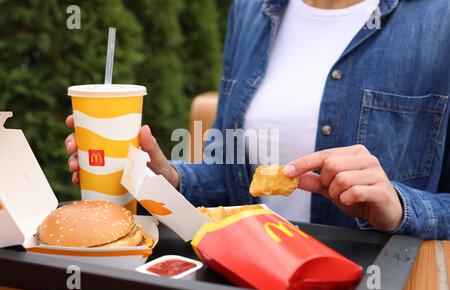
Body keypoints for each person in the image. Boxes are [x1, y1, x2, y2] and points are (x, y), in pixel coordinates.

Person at [65, 0, 450, 239]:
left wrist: (401, 208)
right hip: (247, 279)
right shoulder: (252, 10)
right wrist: (163, 181)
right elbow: (230, 176)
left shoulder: (439, 19)